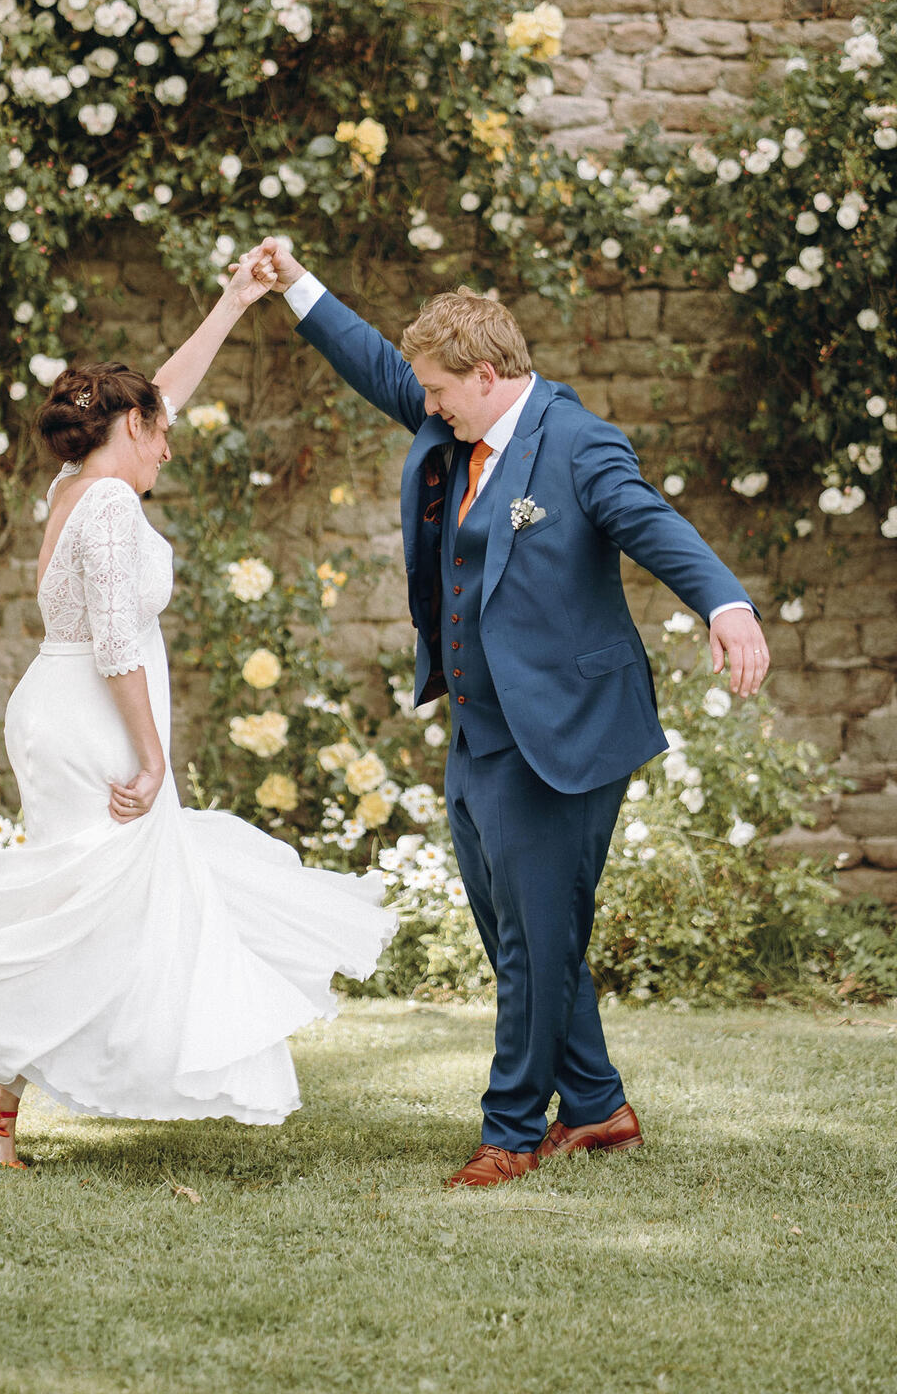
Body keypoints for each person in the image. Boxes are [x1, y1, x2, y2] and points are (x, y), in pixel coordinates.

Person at [261, 243, 770, 1188]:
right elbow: (380, 363)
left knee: (537, 942)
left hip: (567, 730)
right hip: (482, 730)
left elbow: (649, 522)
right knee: (517, 933)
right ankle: (600, 1107)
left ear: (487, 376)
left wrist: (726, 604)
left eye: (442, 392)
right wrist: (293, 284)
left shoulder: (579, 443)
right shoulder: (456, 417)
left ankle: (509, 1133)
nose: (430, 406)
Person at [0, 246, 395, 1168]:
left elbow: (160, 392)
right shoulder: (111, 504)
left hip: (54, 703)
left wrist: (234, 301)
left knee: (79, 901)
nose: (170, 443)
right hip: (90, 716)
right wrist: (153, 760)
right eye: (163, 433)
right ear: (133, 429)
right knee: (94, 907)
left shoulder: (75, 485)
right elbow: (118, 644)